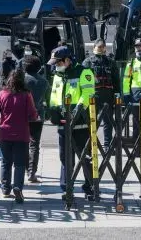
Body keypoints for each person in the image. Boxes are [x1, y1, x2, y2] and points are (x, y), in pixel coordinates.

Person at [46, 46, 96, 199]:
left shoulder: (84, 72)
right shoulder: (58, 75)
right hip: (63, 121)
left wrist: (78, 110)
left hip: (80, 122)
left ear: (67, 60)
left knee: (85, 156)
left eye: (58, 62)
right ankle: (67, 187)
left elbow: (88, 93)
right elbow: (54, 95)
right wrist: (53, 111)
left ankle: (91, 187)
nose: (56, 65)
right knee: (65, 157)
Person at [0, 69, 39, 203]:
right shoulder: (26, 95)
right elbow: (33, 114)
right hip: (21, 134)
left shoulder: (2, 94)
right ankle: (17, 187)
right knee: (19, 164)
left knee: (5, 162)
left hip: (4, 133)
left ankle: (5, 189)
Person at [82, 39, 121, 151]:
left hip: (108, 95)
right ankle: (90, 145)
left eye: (103, 47)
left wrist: (117, 95)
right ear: (94, 47)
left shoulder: (110, 62)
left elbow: (116, 81)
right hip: (93, 95)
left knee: (108, 122)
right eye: (99, 47)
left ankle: (107, 146)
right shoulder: (87, 62)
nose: (101, 48)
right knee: (93, 122)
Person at [22, 55, 48, 183]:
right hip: (38, 114)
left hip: (22, 115)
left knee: (24, 143)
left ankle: (25, 169)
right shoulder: (43, 81)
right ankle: (32, 172)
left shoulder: (22, 80)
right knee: (35, 144)